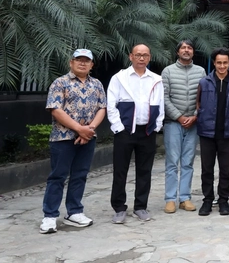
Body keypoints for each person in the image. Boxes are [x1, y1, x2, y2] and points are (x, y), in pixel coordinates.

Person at [39, 49, 107, 234]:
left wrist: (89, 130)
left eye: (87, 61)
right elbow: (55, 109)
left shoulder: (97, 84)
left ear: (92, 65)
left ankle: (74, 211)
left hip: (87, 138)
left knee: (80, 175)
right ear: (71, 62)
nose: (83, 63)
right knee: (58, 176)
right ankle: (50, 216)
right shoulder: (60, 83)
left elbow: (102, 108)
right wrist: (80, 129)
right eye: (79, 60)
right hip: (63, 138)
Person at [108, 44, 164, 224]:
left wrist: (156, 126)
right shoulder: (119, 78)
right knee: (120, 170)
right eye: (138, 55)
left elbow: (160, 105)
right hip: (125, 131)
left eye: (145, 55)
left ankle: (140, 206)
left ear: (149, 57)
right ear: (130, 56)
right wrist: (118, 127)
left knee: (144, 170)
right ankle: (119, 207)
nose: (142, 58)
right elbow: (111, 105)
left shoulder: (156, 79)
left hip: (147, 131)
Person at [196, 48, 229, 216]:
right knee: (207, 169)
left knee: (225, 169)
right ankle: (207, 200)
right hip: (207, 132)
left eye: (225, 63)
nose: (222, 66)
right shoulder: (204, 82)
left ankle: (224, 200)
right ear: (214, 63)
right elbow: (198, 103)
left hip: (228, 132)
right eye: (219, 63)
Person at [161, 40, 206, 214]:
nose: (186, 50)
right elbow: (164, 97)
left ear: (193, 52)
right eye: (183, 48)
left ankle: (185, 198)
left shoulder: (200, 71)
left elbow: (203, 97)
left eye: (189, 48)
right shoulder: (168, 71)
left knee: (188, 162)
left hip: (193, 123)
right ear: (178, 52)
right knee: (172, 162)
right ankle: (170, 199)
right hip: (173, 123)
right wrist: (179, 117)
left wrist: (195, 115)